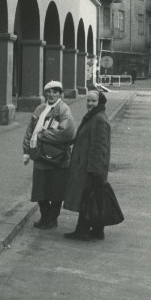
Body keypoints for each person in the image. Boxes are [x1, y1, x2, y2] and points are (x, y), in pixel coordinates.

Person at [22, 80, 77, 229]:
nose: (51, 94)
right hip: (40, 156)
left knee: (56, 191)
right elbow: (30, 131)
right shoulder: (40, 108)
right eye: (49, 91)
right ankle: (45, 217)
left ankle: (52, 219)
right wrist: (26, 150)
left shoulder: (63, 109)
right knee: (40, 190)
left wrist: (43, 135)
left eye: (55, 91)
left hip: (58, 159)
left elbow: (67, 133)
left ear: (60, 94)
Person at [63, 90, 111, 241]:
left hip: (90, 168)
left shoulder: (98, 119)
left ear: (100, 103)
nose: (89, 104)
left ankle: (82, 230)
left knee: (87, 199)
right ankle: (95, 230)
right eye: (88, 101)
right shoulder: (95, 116)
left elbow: (99, 147)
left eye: (93, 101)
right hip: (88, 166)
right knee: (92, 198)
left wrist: (95, 171)